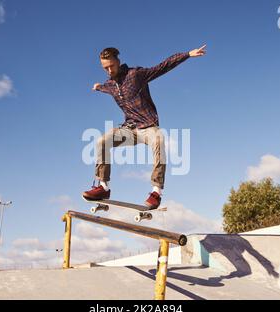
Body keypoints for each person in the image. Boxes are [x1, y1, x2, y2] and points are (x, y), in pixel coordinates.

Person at [83, 45, 207, 209]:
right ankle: (104, 187)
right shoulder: (110, 84)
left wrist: (187, 55)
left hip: (148, 126)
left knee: (158, 140)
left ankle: (156, 192)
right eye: (105, 68)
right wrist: (98, 87)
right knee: (102, 142)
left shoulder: (136, 74)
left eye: (111, 66)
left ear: (118, 62)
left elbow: (162, 67)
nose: (109, 71)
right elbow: (105, 88)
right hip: (129, 129)